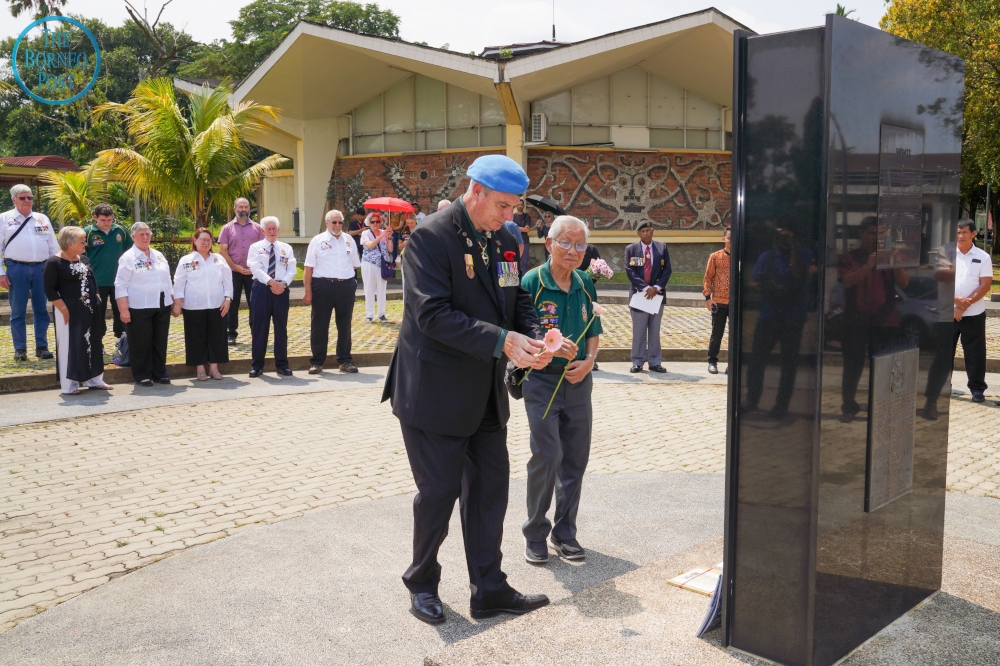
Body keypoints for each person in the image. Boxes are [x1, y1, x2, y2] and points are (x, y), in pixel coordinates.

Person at [381, 154, 552, 626]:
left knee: (490, 491)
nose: (509, 217)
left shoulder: (507, 239)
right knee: (438, 493)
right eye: (502, 206)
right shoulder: (429, 238)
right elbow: (431, 315)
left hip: (484, 394)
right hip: (434, 393)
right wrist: (503, 341)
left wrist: (536, 338)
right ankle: (421, 581)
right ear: (474, 191)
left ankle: (489, 589)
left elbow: (516, 299)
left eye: (514, 208)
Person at [520, 215, 602, 565]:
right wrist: (547, 348)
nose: (573, 251)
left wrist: (589, 361)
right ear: (549, 244)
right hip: (541, 382)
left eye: (580, 245)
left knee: (576, 459)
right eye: (566, 243)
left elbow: (594, 328)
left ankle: (565, 532)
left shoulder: (585, 282)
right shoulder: (531, 282)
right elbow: (521, 330)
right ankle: (535, 532)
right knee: (548, 455)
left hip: (579, 382)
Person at [837, 217, 908, 421]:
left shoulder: (891, 257)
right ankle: (849, 406)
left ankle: (882, 408)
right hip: (856, 321)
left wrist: (894, 263)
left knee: (884, 368)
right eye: (871, 233)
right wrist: (868, 265)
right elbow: (848, 282)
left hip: (885, 321)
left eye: (880, 234)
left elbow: (904, 283)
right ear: (861, 233)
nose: (876, 238)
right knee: (852, 366)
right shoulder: (849, 257)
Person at [923, 219, 993, 417]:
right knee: (942, 355)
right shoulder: (946, 253)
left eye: (964, 232)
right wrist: (955, 303)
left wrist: (964, 305)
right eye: (958, 232)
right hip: (947, 313)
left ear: (973, 234)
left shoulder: (983, 257)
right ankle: (934, 394)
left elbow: (985, 285)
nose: (960, 235)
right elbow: (939, 278)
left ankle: (977, 389)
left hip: (974, 313)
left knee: (975, 354)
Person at [745, 226, 817, 418]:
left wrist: (794, 250)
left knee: (789, 364)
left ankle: (781, 405)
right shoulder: (766, 257)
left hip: (793, 317)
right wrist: (764, 285)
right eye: (780, 237)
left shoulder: (804, 255)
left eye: (788, 237)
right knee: (757, 362)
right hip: (768, 315)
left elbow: (805, 274)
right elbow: (752, 282)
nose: (783, 241)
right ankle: (752, 400)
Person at [44, 226, 112, 394]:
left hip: (89, 309)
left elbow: (93, 282)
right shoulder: (54, 262)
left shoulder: (84, 259)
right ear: (69, 243)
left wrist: (96, 299)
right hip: (68, 311)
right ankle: (70, 384)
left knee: (93, 342)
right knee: (71, 345)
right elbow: (49, 290)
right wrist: (64, 309)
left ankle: (94, 379)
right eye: (82, 241)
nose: (85, 244)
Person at [1, 184, 57, 361]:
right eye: (22, 197)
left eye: (30, 197)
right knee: (18, 311)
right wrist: (1, 273)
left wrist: (57, 271)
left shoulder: (41, 218)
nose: (27, 201)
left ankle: (42, 346)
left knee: (42, 309)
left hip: (42, 268)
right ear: (14, 200)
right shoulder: (4, 219)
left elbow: (53, 247)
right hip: (17, 268)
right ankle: (20, 348)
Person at [115, 222, 174, 386]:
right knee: (141, 342)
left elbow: (167, 280)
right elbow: (120, 284)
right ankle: (142, 374)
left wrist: (173, 301)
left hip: (161, 304)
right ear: (133, 237)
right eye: (141, 234)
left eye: (147, 234)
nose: (145, 237)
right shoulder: (128, 258)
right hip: (139, 306)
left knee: (160, 340)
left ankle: (159, 372)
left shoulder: (158, 255)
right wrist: (123, 309)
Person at [171, 228, 233, 381]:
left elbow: (227, 280)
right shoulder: (186, 260)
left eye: (208, 240)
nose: (206, 243)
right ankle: (199, 369)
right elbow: (178, 283)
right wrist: (177, 305)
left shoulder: (218, 259)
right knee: (196, 338)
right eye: (202, 240)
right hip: (193, 306)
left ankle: (214, 368)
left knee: (217, 337)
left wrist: (228, 299)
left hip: (217, 305)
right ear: (195, 241)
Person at [304, 210, 360, 375]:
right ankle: (317, 362)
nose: (337, 226)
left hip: (345, 286)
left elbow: (355, 264)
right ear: (327, 223)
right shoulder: (317, 240)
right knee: (320, 325)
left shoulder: (349, 240)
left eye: (340, 222)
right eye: (334, 222)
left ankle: (344, 360)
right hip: (323, 285)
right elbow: (308, 268)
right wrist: (308, 291)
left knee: (345, 325)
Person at [246, 217, 297, 378]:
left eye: (274, 228)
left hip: (281, 290)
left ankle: (282, 364)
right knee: (259, 328)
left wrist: (283, 284)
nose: (272, 231)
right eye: (269, 229)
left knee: (281, 328)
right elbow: (255, 268)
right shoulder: (255, 247)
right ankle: (257, 365)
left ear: (278, 230)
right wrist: (271, 282)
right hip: (262, 289)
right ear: (262, 231)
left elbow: (292, 268)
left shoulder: (286, 248)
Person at [624, 221, 672, 373]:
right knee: (639, 330)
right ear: (638, 234)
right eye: (643, 231)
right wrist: (646, 288)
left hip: (657, 296)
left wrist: (656, 288)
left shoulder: (662, 248)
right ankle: (637, 361)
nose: (646, 233)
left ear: (653, 231)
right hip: (640, 295)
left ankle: (654, 362)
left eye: (648, 230)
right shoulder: (631, 249)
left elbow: (667, 270)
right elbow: (629, 271)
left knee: (654, 330)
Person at [83, 203, 132, 344]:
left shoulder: (121, 231)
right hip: (97, 281)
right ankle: (97, 342)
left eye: (109, 220)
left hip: (120, 281)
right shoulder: (88, 232)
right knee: (98, 313)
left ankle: (122, 340)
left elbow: (130, 252)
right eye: (103, 220)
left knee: (121, 311)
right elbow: (81, 255)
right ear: (95, 218)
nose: (107, 223)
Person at [218, 197, 264, 345]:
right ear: (234, 209)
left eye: (246, 207)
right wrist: (236, 267)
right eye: (240, 207)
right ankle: (231, 334)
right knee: (232, 302)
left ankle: (256, 333)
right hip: (233, 271)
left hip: (254, 273)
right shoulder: (226, 228)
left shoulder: (258, 228)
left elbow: (264, 250)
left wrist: (253, 268)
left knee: (255, 303)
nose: (243, 209)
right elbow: (223, 251)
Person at [703, 227, 731, 374]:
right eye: (729, 238)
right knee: (717, 333)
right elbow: (708, 278)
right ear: (724, 239)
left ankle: (732, 363)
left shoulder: (740, 258)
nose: (731, 241)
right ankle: (712, 361)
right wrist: (708, 298)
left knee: (735, 334)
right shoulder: (715, 256)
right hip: (719, 302)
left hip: (736, 303)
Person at [360, 211, 393, 323]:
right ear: (369, 223)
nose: (375, 224)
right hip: (369, 264)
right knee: (369, 289)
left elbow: (390, 250)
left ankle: (382, 314)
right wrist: (382, 235)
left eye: (377, 221)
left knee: (381, 289)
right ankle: (369, 314)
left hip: (382, 265)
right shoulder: (366, 233)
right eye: (372, 221)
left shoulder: (384, 233)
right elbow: (369, 246)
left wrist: (389, 237)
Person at [513, 199, 532, 273]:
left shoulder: (527, 217)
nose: (520, 206)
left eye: (521, 204)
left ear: (523, 206)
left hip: (524, 242)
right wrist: (522, 228)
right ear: (516, 205)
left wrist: (515, 228)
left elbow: (527, 229)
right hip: (514, 241)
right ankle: (516, 278)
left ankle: (523, 280)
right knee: (514, 261)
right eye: (518, 204)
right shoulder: (512, 216)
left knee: (524, 262)